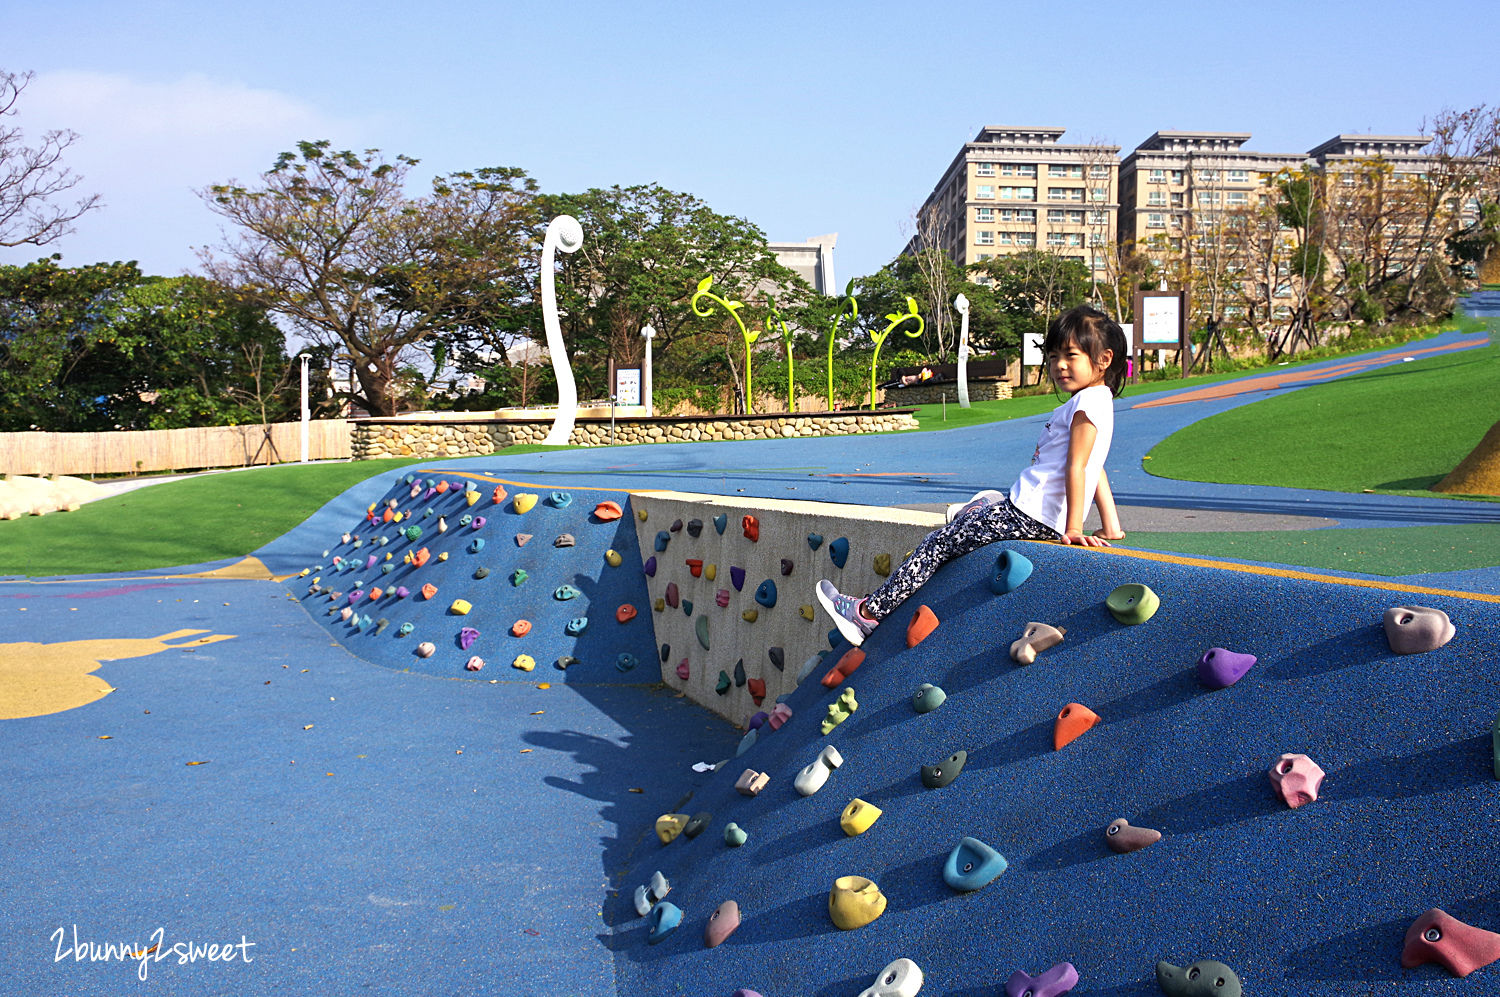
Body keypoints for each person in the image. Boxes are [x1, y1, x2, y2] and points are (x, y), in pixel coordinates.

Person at [816, 304, 1128, 647]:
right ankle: (973, 515)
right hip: (1028, 510)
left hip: (1031, 514)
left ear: (1104, 359)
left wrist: (1073, 529)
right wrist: (1110, 525)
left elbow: (1079, 467)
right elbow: (1096, 466)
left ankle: (868, 613)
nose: (1059, 365)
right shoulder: (1098, 400)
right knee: (988, 503)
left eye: (1071, 355)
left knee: (937, 544)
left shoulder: (1085, 405)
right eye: (1054, 357)